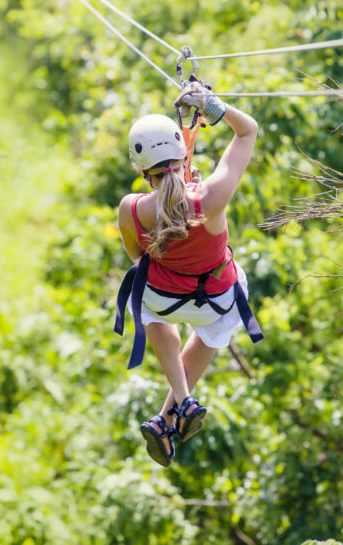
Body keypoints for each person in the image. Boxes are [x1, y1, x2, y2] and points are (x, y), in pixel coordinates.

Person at [115, 81, 261, 467]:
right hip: (216, 299)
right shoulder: (211, 198)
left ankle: (178, 405)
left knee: (142, 296)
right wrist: (214, 107)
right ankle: (174, 409)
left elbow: (137, 254)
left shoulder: (130, 210)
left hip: (163, 299)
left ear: (144, 172)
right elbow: (248, 131)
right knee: (215, 325)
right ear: (184, 154)